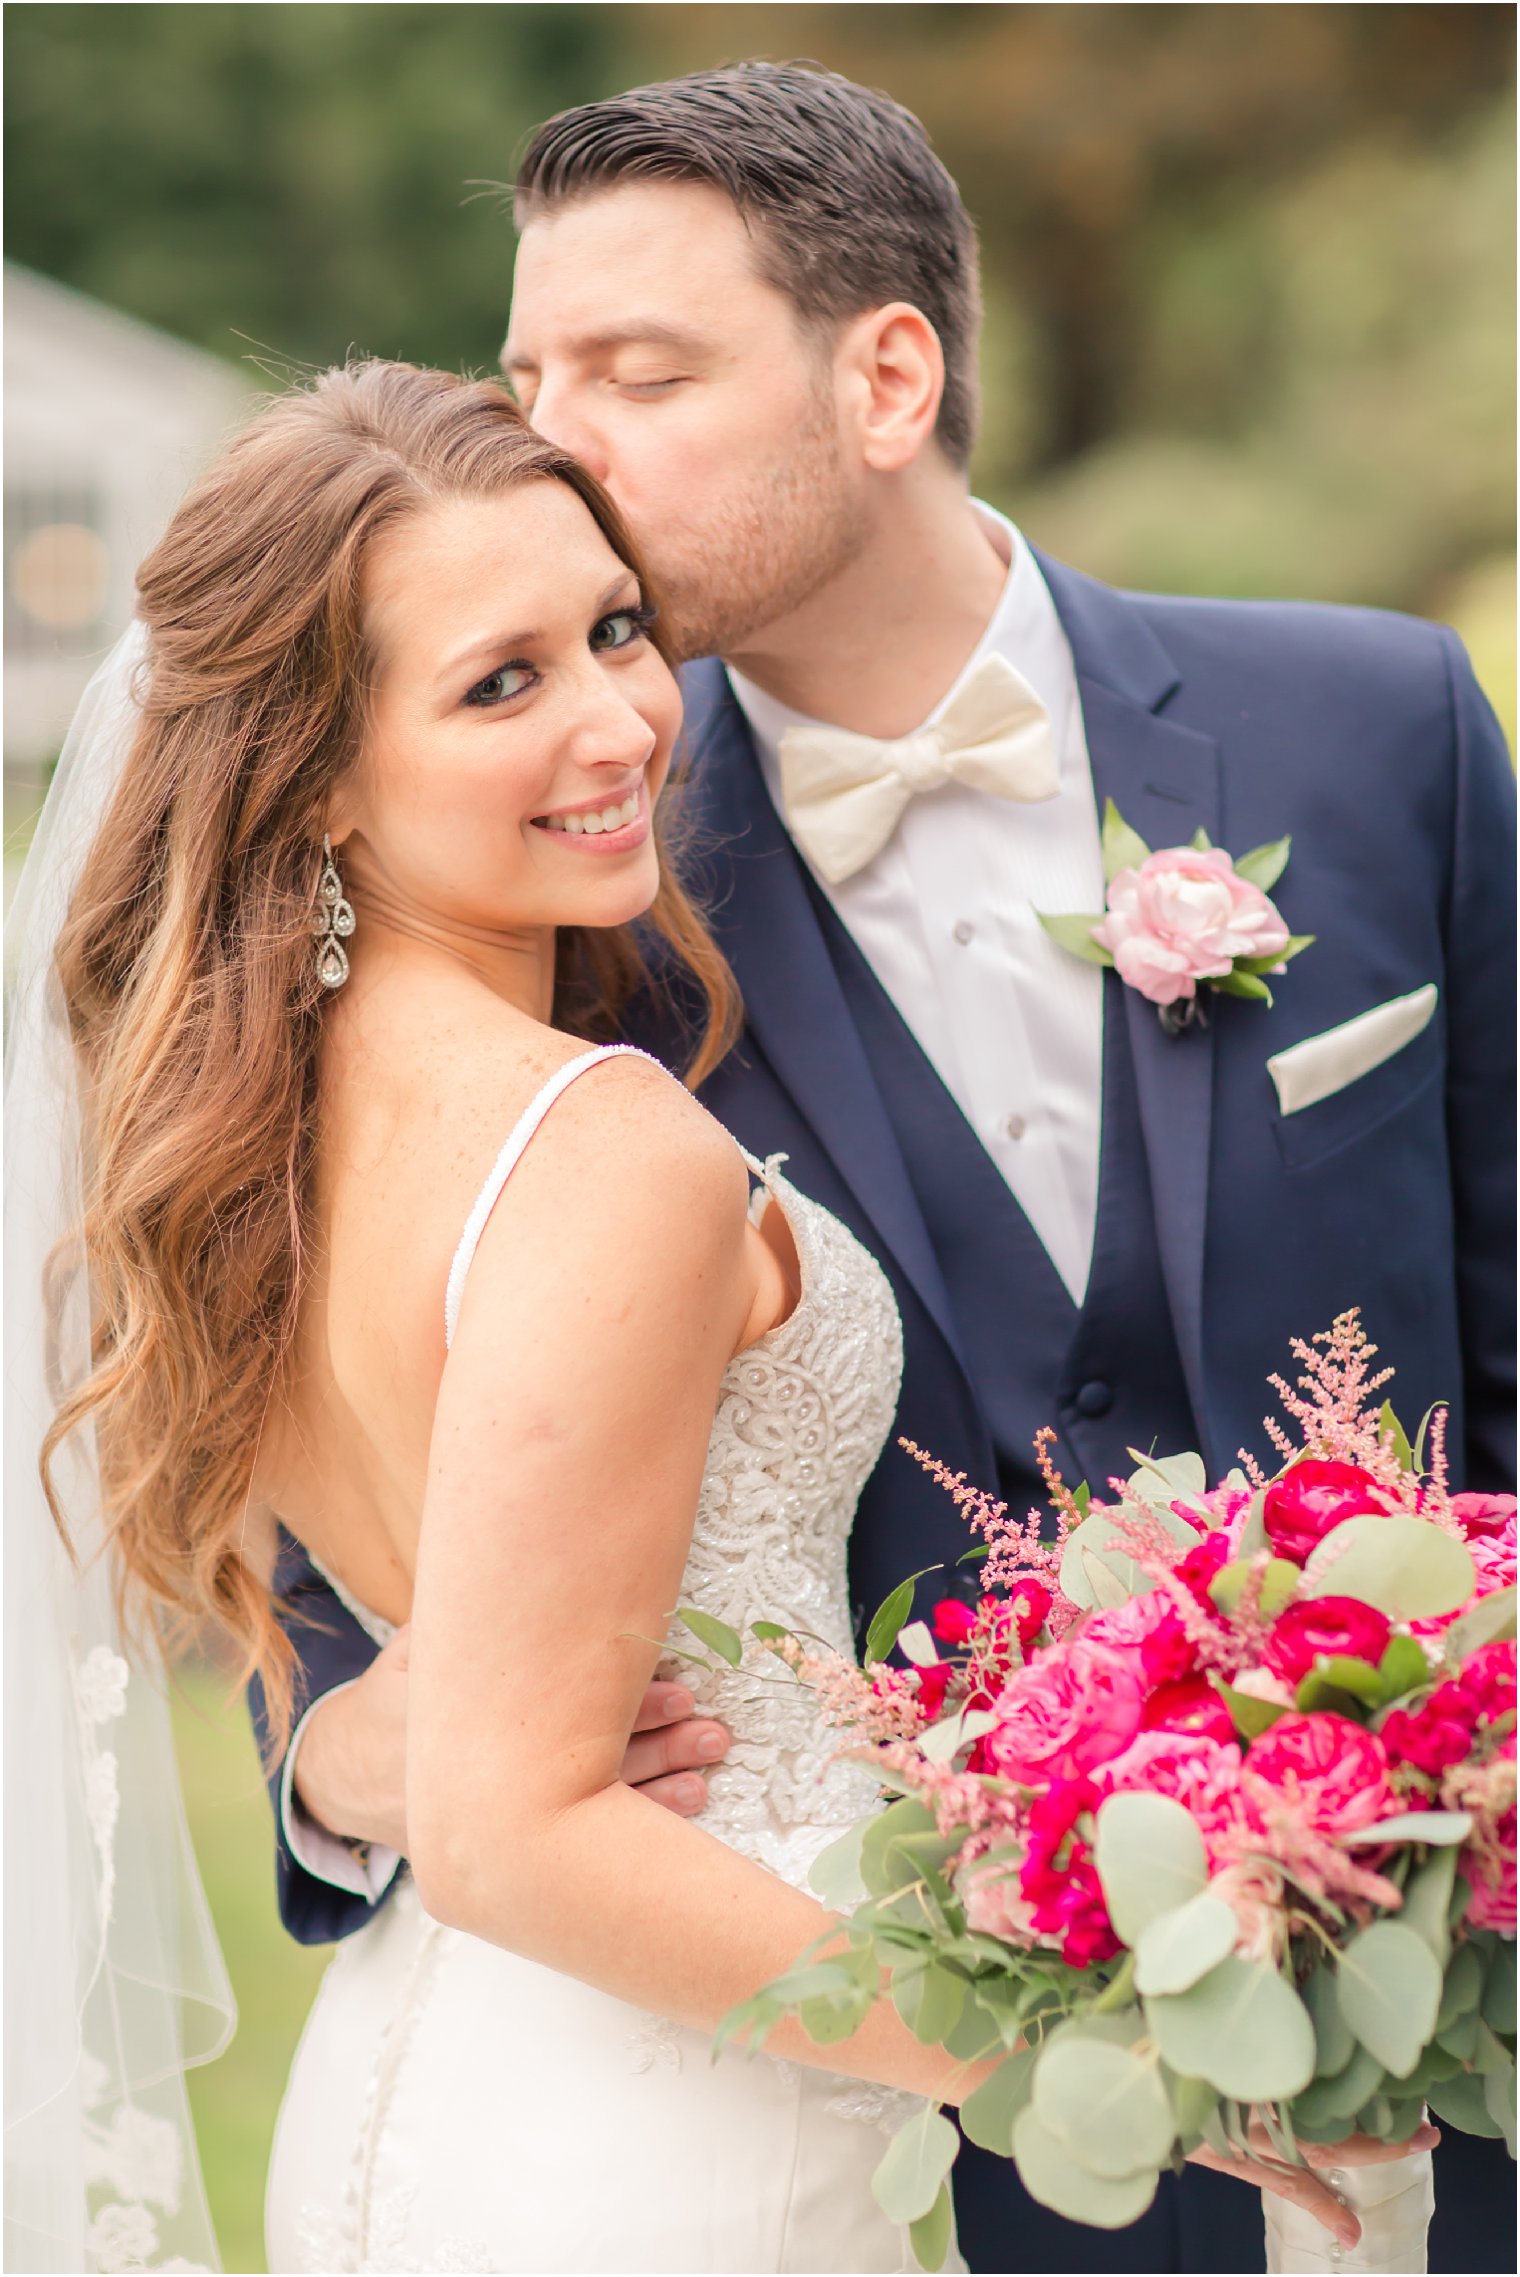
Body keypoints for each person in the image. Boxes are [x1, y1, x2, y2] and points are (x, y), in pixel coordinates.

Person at [260, 62, 1517, 2277]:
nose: (560, 442)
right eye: (527, 374)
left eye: (636, 373)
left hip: (1464, 2008)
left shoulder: (1377, 726)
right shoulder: (558, 909)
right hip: (993, 2133)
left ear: (888, 373)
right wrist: (351, 1760)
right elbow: (343, 1521)